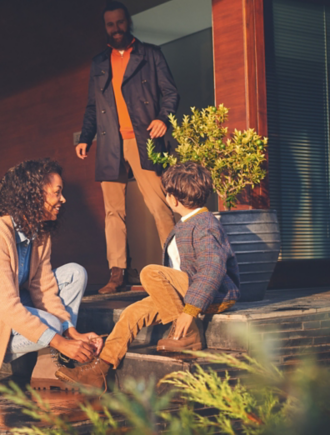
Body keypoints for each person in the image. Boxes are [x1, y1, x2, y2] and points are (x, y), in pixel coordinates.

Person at [55, 162, 241, 390]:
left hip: (211, 294)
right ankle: (100, 369)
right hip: (185, 293)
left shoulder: (204, 224)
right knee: (132, 313)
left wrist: (189, 312)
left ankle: (188, 334)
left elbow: (212, 268)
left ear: (173, 199)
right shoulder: (185, 224)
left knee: (150, 272)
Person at [0, 159, 103, 396]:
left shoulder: (40, 232)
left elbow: (43, 289)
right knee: (51, 325)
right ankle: (58, 351)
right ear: (34, 196)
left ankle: (51, 359)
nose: (63, 199)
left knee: (75, 273)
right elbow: (6, 306)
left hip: (8, 309)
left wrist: (70, 331)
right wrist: (61, 341)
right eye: (57, 192)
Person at [76, 1, 179, 294]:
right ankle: (117, 272)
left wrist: (162, 119)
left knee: (159, 204)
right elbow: (93, 106)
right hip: (110, 141)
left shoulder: (150, 55)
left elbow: (171, 93)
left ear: (128, 22)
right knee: (113, 211)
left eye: (120, 23)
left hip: (143, 138)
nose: (116, 29)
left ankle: (174, 267)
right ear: (105, 28)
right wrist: (86, 137)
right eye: (110, 24)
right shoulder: (99, 63)